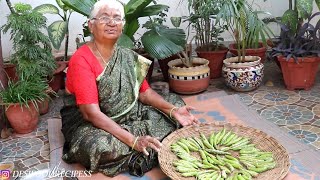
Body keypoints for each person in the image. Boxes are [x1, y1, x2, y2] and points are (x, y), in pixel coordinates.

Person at [60, 0, 199, 177]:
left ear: (122, 26)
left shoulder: (127, 55)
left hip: (131, 113)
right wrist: (133, 141)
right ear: (91, 25)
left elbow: (145, 93)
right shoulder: (81, 59)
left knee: (174, 102)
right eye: (104, 18)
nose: (111, 23)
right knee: (98, 147)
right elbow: (91, 114)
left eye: (117, 18)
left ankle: (149, 144)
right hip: (93, 124)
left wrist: (173, 111)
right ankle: (145, 150)